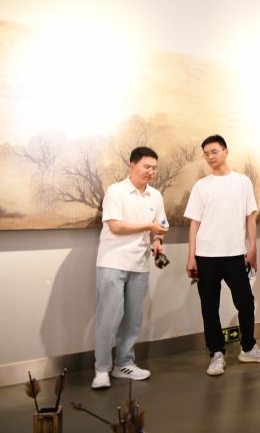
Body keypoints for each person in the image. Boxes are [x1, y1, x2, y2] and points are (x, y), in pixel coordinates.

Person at [184, 135, 260, 377]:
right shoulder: (201, 186)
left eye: (214, 151)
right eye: (206, 154)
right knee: (209, 306)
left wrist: (253, 248)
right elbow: (194, 223)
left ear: (226, 151)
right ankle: (216, 353)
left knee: (245, 302)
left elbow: (250, 217)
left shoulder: (242, 182)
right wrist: (191, 256)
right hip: (205, 255)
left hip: (235, 254)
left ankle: (248, 348)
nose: (210, 157)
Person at [92, 147, 168, 389]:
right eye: (147, 166)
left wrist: (157, 240)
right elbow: (116, 226)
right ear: (132, 165)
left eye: (154, 168)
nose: (151, 172)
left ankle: (124, 364)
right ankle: (101, 369)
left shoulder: (155, 195)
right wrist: (149, 226)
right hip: (112, 262)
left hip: (140, 264)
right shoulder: (116, 191)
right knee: (108, 318)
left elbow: (160, 227)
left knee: (133, 320)